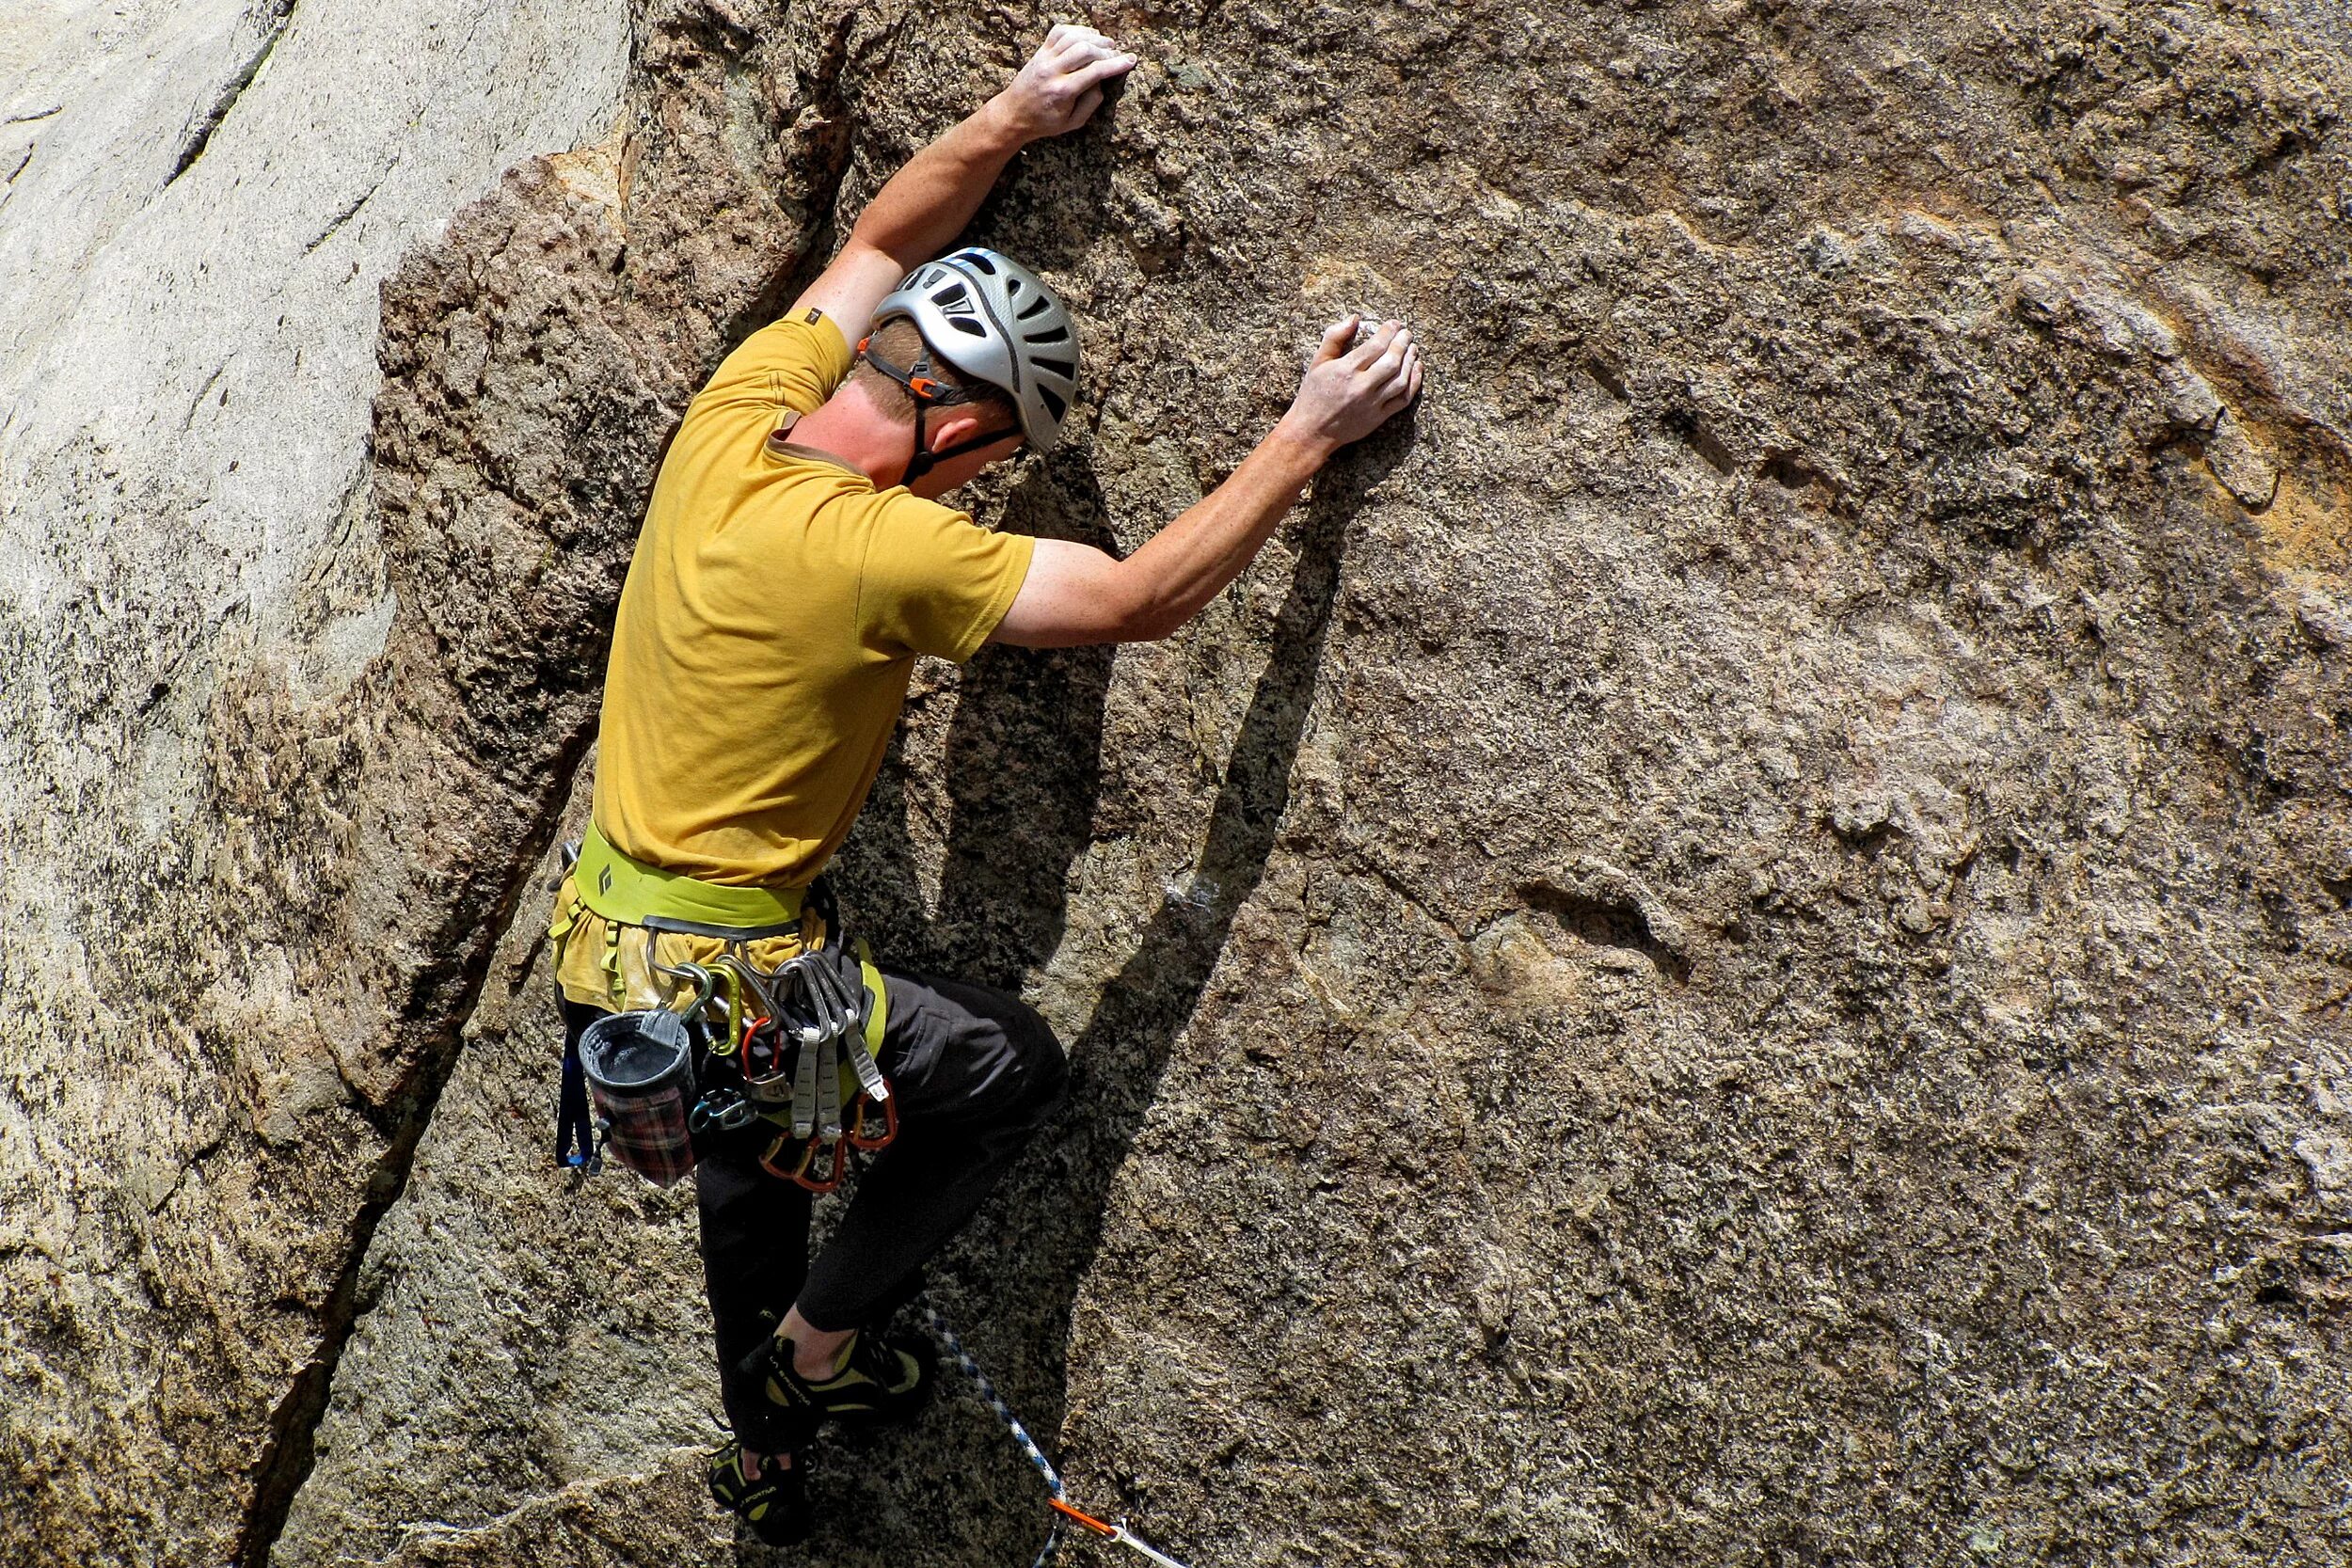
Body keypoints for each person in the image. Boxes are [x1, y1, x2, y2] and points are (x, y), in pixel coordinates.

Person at [544, 23, 1423, 1544]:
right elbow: (1145, 596)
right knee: (1007, 1071)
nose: (974, 491)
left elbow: (881, 235)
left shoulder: (735, 411)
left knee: (751, 1184)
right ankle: (819, 1358)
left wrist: (1011, 116)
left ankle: (769, 1461)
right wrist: (1307, 432)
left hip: (607, 962)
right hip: (732, 991)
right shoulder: (885, 546)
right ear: (954, 426)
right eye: (982, 465)